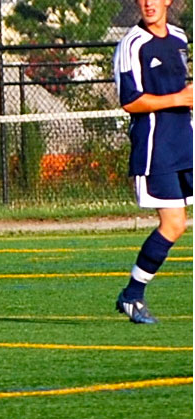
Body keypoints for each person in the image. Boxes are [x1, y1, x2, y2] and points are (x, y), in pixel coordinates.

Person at [112, 0, 193, 324]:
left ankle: (132, 295)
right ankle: (132, 295)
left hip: (185, 143)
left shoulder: (179, 37)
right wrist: (178, 99)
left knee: (177, 224)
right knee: (173, 224)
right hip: (156, 149)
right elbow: (130, 101)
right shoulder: (132, 45)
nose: (148, 3)